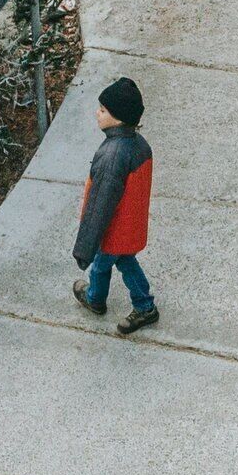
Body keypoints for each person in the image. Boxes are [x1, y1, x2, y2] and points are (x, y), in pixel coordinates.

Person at [72, 76, 158, 335]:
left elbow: (100, 205)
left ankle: (100, 300)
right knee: (125, 260)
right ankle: (137, 303)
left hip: (114, 227)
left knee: (101, 262)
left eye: (103, 110)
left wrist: (84, 249)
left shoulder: (112, 156)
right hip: (129, 223)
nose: (97, 113)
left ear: (118, 118)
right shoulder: (138, 144)